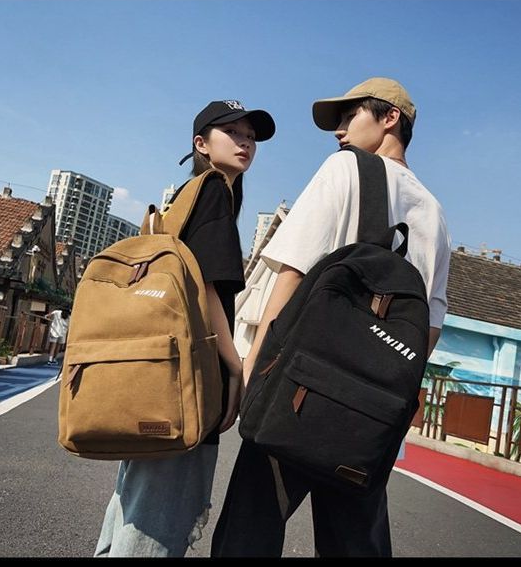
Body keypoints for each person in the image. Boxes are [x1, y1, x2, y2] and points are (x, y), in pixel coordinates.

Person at [210, 78, 451, 557]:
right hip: (370, 415)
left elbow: (293, 273)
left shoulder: (346, 170)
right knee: (353, 543)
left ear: (389, 119)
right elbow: (428, 327)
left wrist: (254, 374)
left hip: (300, 391)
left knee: (249, 531)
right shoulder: (435, 214)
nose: (338, 130)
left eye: (349, 116)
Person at [93, 99, 276, 557]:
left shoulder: (185, 197)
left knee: (132, 508)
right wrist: (235, 367)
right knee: (157, 522)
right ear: (201, 143)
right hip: (189, 383)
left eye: (250, 136)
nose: (245, 142)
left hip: (160, 377)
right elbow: (207, 288)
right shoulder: (213, 191)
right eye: (232, 132)